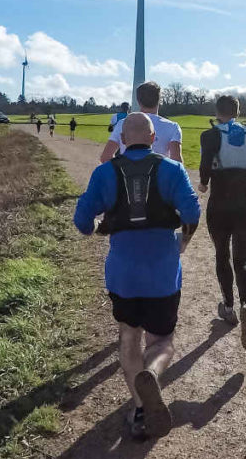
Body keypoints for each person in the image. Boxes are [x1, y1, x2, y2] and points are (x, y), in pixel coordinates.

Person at [74, 113, 200, 440]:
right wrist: (182, 241)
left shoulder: (104, 172)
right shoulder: (172, 170)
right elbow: (191, 213)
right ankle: (154, 374)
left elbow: (82, 220)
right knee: (162, 341)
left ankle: (141, 409)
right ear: (153, 135)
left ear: (124, 138)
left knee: (128, 336)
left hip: (122, 272)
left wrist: (93, 228)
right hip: (162, 271)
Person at [198, 95, 246, 349]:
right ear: (238, 112)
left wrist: (205, 182)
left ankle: (228, 307)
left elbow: (205, 166)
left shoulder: (209, 136)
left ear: (217, 111)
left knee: (222, 255)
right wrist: (242, 170)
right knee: (243, 260)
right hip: (245, 203)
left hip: (219, 203)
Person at [101, 82, 183, 163]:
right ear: (159, 99)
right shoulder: (173, 127)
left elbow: (105, 157)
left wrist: (120, 172)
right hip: (161, 175)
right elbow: (177, 161)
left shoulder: (123, 124)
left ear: (138, 100)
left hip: (127, 174)